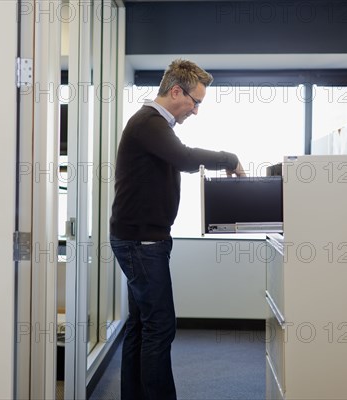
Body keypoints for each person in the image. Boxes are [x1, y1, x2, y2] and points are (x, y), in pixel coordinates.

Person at [109, 59, 246, 400]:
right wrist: (229, 158)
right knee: (160, 327)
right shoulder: (149, 122)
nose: (196, 111)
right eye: (195, 101)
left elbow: (178, 162)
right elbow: (185, 159)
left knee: (142, 325)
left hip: (140, 239)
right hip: (141, 242)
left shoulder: (154, 125)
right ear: (175, 91)